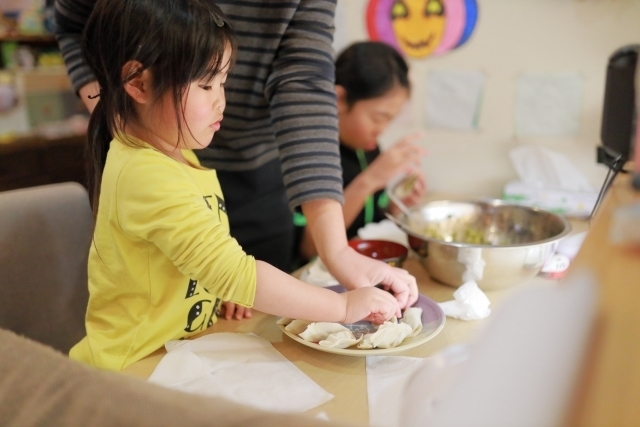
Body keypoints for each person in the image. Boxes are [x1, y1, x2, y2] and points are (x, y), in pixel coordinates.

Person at [70, 0, 404, 371]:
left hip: (174, 353)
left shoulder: (177, 154)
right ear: (138, 82)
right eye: (206, 84)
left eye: (223, 82)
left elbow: (193, 260)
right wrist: (342, 306)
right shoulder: (146, 174)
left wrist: (214, 292)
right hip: (128, 368)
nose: (221, 102)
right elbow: (236, 272)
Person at [296, 42, 427, 262]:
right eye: (378, 118)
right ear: (339, 100)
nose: (382, 130)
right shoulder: (310, 154)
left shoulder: (370, 149)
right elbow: (308, 247)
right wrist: (369, 180)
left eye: (390, 120)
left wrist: (396, 205)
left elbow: (370, 219)